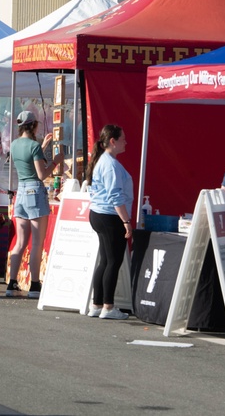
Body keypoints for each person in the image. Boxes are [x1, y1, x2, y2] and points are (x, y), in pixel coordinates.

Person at [5, 110, 62, 298]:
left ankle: (12, 283)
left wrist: (43, 146)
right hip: (35, 192)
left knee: (20, 242)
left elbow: (29, 161)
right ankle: (35, 285)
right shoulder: (33, 146)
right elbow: (41, 174)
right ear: (33, 125)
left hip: (20, 192)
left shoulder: (14, 145)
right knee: (37, 242)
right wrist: (56, 162)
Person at [87, 124, 133, 320]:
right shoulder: (110, 164)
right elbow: (115, 196)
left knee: (106, 260)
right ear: (112, 141)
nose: (126, 142)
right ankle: (107, 305)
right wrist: (126, 221)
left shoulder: (102, 161)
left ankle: (97, 304)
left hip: (99, 213)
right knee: (113, 261)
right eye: (123, 139)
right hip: (109, 216)